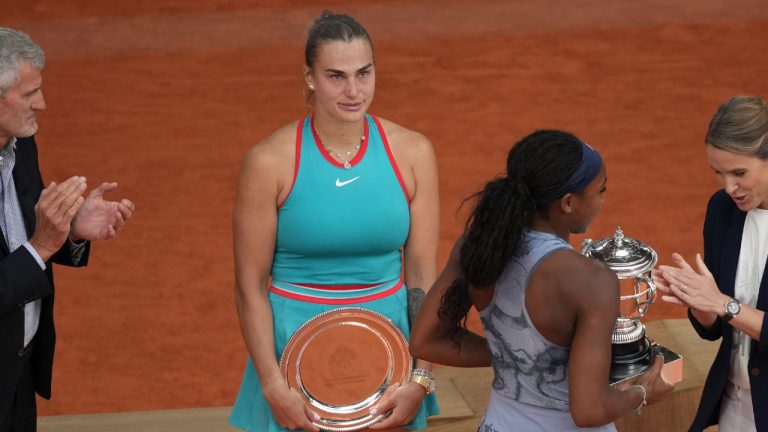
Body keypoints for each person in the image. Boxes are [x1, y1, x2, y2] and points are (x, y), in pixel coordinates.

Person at [229, 11, 440, 432]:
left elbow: (422, 275)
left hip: (392, 352)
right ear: (309, 78)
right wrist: (273, 386)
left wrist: (422, 375)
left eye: (364, 73)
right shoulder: (268, 162)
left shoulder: (413, 152)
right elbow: (249, 284)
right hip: (292, 355)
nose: (353, 90)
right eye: (336, 76)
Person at [409, 130, 673, 431]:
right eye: (600, 190)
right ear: (569, 202)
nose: (602, 200)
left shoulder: (478, 243)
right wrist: (642, 392)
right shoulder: (591, 280)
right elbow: (589, 411)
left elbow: (425, 341)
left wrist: (516, 356)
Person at [0, 27, 135, 431]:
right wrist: (42, 245)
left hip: (17, 371)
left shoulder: (20, 144)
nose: (41, 104)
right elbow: (32, 249)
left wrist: (71, 230)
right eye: (28, 95)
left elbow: (23, 238)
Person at [653, 95, 768, 431]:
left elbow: (727, 308)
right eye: (718, 173)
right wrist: (699, 301)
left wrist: (724, 304)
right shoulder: (722, 210)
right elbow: (715, 329)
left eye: (739, 172)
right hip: (737, 408)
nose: (729, 187)